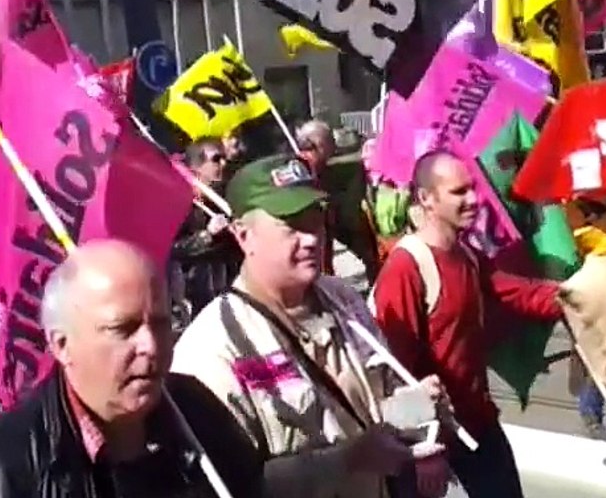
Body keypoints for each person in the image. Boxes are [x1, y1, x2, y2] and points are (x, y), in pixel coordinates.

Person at [173, 155, 450, 498]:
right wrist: (349, 459)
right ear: (244, 235)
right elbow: (232, 483)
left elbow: (375, 405)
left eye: (315, 221)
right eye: (292, 226)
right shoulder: (214, 347)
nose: (311, 238)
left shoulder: (343, 299)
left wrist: (418, 407)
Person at [0, 239, 264, 498]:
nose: (150, 345)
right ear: (62, 345)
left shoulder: (197, 413)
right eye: (123, 329)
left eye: (163, 323)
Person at [371, 150, 563, 498]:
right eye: (459, 192)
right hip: (435, 442)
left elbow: (520, 293)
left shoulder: (467, 255)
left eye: (473, 188)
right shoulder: (405, 267)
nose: (474, 199)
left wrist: (584, 296)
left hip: (480, 427)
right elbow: (394, 371)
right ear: (426, 198)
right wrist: (426, 449)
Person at [295, 120, 381, 285]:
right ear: (319, 144)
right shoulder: (301, 169)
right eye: (330, 141)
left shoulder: (324, 169)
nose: (334, 147)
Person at [171, 138, 241, 315]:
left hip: (224, 287)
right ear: (197, 167)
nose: (223, 164)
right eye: (216, 159)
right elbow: (173, 249)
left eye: (224, 158)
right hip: (193, 295)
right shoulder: (180, 203)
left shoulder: (220, 197)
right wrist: (207, 235)